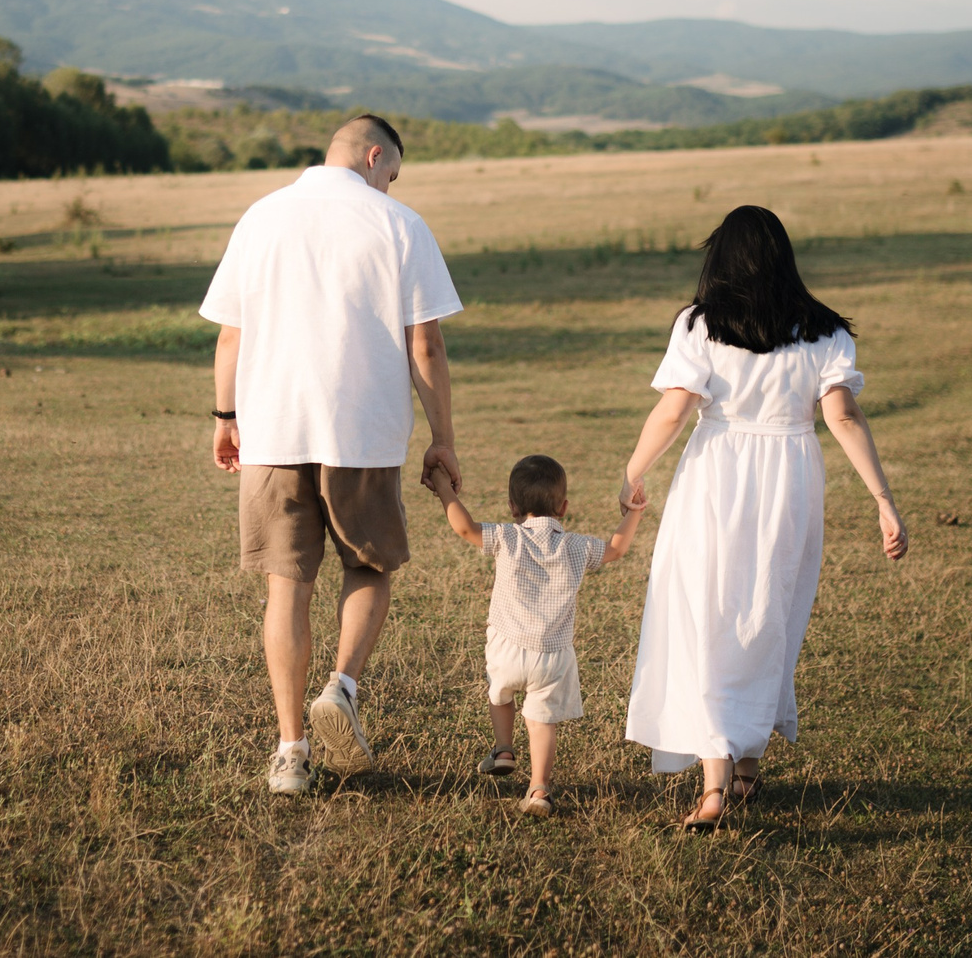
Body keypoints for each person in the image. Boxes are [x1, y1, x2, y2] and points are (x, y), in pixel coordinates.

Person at [617, 204, 908, 833]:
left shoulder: (700, 324)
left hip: (718, 474)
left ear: (720, 258)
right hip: (791, 477)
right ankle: (746, 765)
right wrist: (883, 499)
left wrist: (633, 472)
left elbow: (673, 411)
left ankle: (716, 786)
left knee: (710, 616)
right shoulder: (824, 329)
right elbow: (843, 417)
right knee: (767, 613)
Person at [203, 113, 465, 795]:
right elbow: (426, 345)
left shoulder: (259, 217)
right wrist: (444, 436)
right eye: (393, 173)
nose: (391, 185)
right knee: (370, 564)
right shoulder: (398, 224)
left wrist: (228, 417)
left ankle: (291, 751)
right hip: (363, 430)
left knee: (286, 585)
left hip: (272, 427)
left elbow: (230, 336)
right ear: (375, 157)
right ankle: (342, 687)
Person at [427, 453, 645, 816]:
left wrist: (443, 489)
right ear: (563, 507)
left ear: (513, 506)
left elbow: (464, 528)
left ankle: (504, 748)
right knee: (542, 721)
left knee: (500, 695)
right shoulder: (576, 546)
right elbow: (617, 549)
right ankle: (539, 789)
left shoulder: (507, 537)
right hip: (553, 654)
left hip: (507, 645)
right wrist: (634, 511)